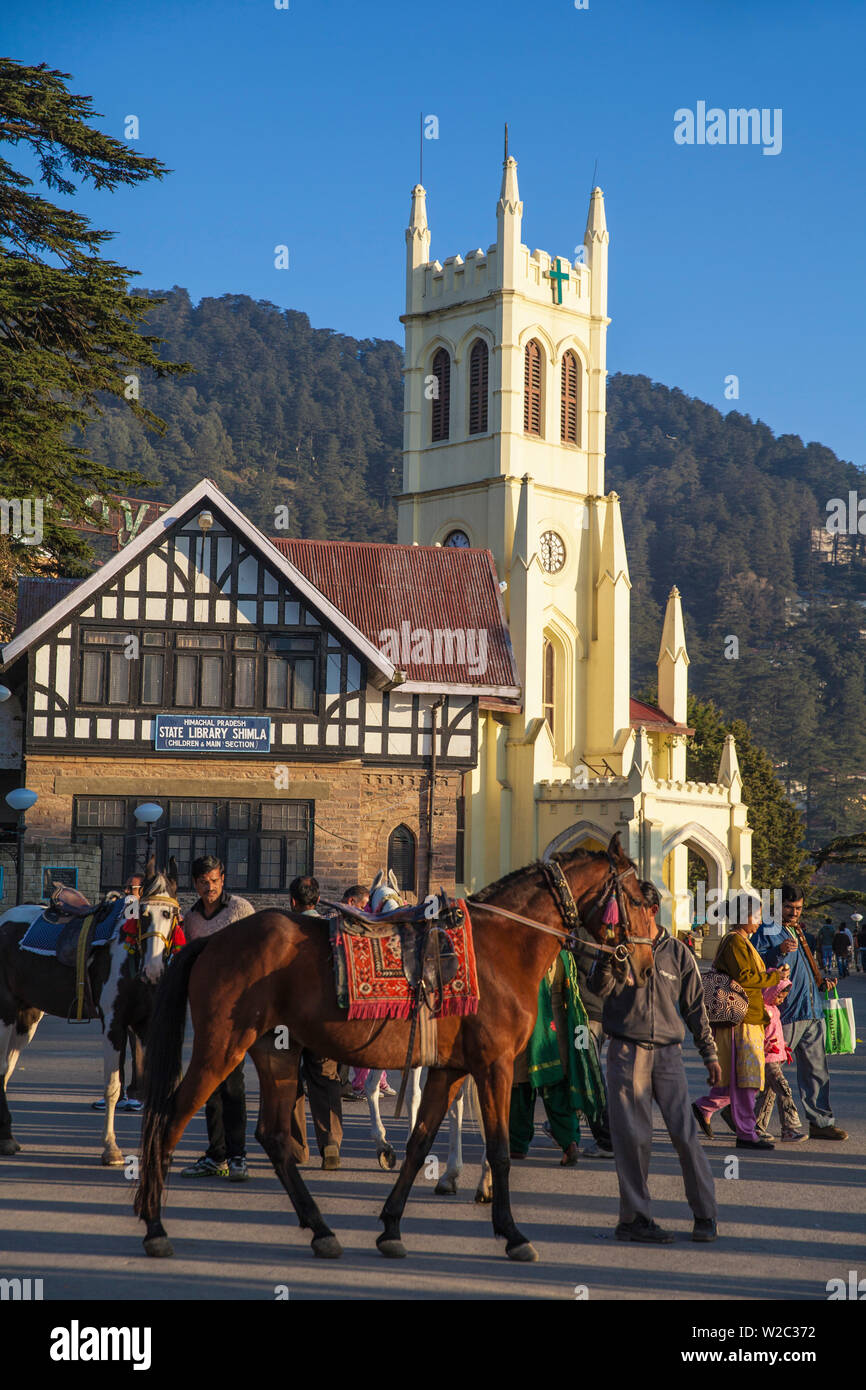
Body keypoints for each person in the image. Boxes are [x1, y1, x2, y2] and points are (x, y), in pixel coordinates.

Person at [590, 882, 720, 1244]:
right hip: (626, 1052)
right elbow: (597, 989)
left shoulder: (678, 953)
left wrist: (709, 1053)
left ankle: (705, 1214)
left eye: (637, 913)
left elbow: (695, 1006)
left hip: (668, 1055)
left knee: (685, 1134)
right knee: (633, 1138)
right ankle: (634, 1218)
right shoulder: (619, 948)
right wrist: (609, 957)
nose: (630, 920)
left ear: (652, 912)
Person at [752, 883, 847, 1141]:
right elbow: (754, 964)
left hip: (812, 1009)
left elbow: (805, 968)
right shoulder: (767, 930)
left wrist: (821, 982)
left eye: (798, 908)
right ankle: (744, 1115)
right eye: (789, 907)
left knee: (816, 1070)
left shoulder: (798, 932)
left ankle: (820, 1122)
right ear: (777, 906)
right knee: (772, 1070)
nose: (794, 912)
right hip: (786, 1013)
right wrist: (777, 952)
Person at [180, 857, 255, 1180]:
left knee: (234, 1086)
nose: (208, 887)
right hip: (205, 1015)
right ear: (194, 883)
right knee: (209, 1085)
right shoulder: (191, 919)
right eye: (202, 882)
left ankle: (238, 1156)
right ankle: (216, 1154)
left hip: (238, 1014)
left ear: (222, 879)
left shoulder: (241, 911)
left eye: (213, 880)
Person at [693, 892, 787, 1150]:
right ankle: (746, 1133)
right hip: (740, 1021)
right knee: (746, 1080)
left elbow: (749, 973)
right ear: (743, 916)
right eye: (756, 915)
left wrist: (770, 974)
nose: (759, 921)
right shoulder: (735, 942)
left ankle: (704, 1108)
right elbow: (745, 977)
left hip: (748, 1018)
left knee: (736, 1079)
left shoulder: (742, 941)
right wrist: (773, 978)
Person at [510, 948, 605, 1167]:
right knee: (557, 1091)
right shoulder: (563, 956)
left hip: (527, 1026)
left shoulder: (524, 950)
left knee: (520, 1090)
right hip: (557, 1030)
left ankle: (517, 1145)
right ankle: (569, 1142)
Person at [288, 875, 344, 1170]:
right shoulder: (332, 931)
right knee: (325, 1078)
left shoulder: (285, 931)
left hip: (287, 1023)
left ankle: (297, 1147)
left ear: (292, 902)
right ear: (318, 900)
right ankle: (331, 1143)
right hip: (324, 1021)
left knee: (289, 1080)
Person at [91, 874, 145, 1113]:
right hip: (118, 985)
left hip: (139, 987)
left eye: (132, 888)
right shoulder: (122, 908)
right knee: (117, 1042)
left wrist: (130, 902)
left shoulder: (139, 909)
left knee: (138, 1046)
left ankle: (136, 1093)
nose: (127, 892)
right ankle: (116, 1091)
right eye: (126, 887)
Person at [754, 977, 806, 1142]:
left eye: (783, 998)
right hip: (767, 1058)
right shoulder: (761, 1010)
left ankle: (756, 1126)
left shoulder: (774, 1010)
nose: (780, 1000)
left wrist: (783, 1047)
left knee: (767, 1095)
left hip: (776, 1057)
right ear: (770, 992)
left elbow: (776, 1033)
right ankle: (789, 1128)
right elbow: (757, 1033)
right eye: (779, 996)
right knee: (783, 1089)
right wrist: (763, 1045)